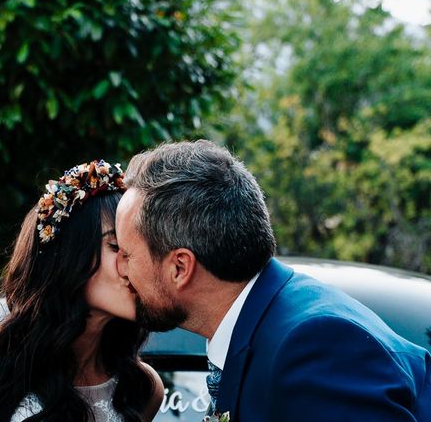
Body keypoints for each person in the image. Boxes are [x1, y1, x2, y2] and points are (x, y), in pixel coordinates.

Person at [115, 140, 431, 422]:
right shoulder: (264, 323)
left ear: (180, 267)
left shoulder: (314, 347)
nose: (121, 269)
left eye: (127, 254)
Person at [0, 160, 164, 422]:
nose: (133, 265)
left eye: (138, 251)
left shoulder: (142, 388)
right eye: (115, 246)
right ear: (68, 254)